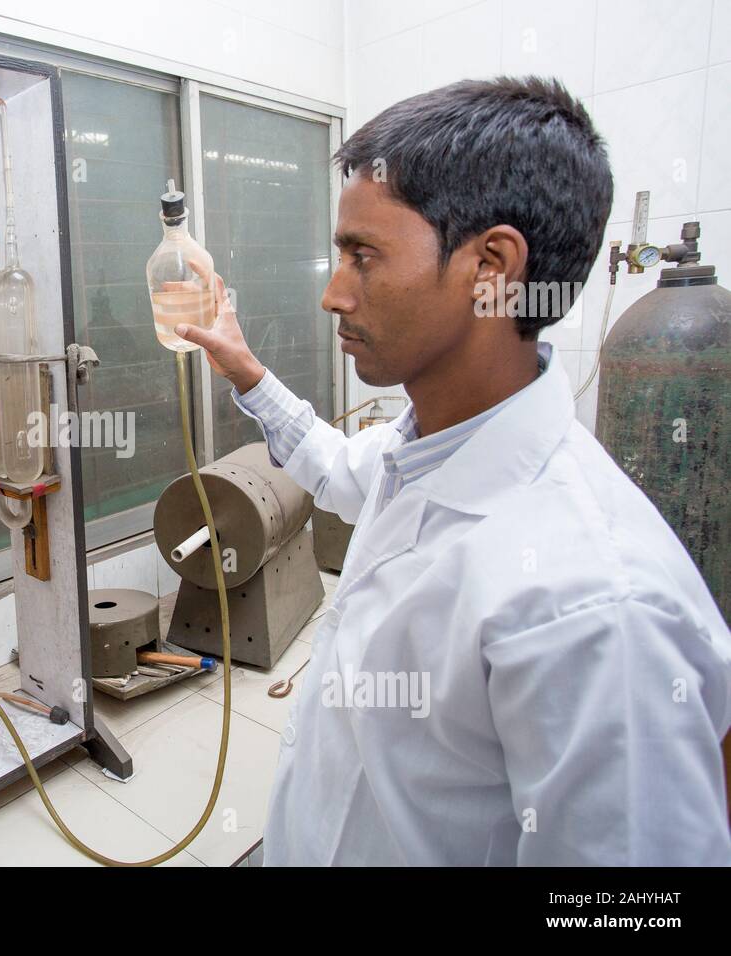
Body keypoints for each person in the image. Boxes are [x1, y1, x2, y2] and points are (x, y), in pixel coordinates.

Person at [176, 76, 731, 865]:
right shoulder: (426, 448)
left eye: (363, 256)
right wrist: (244, 371)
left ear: (492, 266)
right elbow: (336, 471)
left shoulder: (596, 609)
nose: (334, 295)